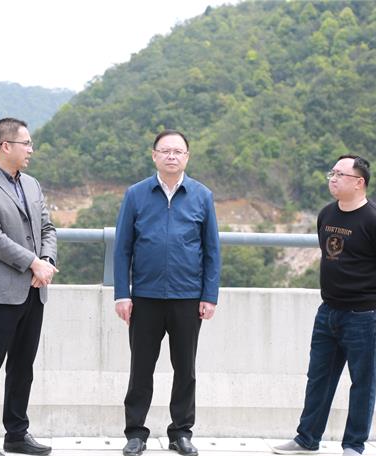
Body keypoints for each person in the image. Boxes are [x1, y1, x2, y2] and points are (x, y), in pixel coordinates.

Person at [272, 155, 376, 456]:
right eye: (332, 173)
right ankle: (307, 438)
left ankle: (353, 445)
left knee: (362, 382)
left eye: (340, 174)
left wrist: (365, 290)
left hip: (364, 314)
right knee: (319, 377)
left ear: (359, 182)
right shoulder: (327, 214)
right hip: (328, 311)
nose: (333, 178)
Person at [113, 129, 221, 456]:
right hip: (145, 297)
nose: (171, 156)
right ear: (154, 155)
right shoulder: (136, 194)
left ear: (187, 156)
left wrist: (209, 295)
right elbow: (122, 248)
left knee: (185, 369)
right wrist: (122, 293)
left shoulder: (202, 196)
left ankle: (181, 432)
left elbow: (212, 250)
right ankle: (135, 433)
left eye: (178, 151)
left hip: (188, 297)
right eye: (165, 151)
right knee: (141, 368)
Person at [0, 118, 58, 456]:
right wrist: (32, 262)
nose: (31, 149)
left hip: (34, 288)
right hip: (0, 291)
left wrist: (46, 261)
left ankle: (16, 433)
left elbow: (47, 228)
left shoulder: (31, 184)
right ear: (6, 146)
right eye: (26, 143)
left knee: (22, 366)